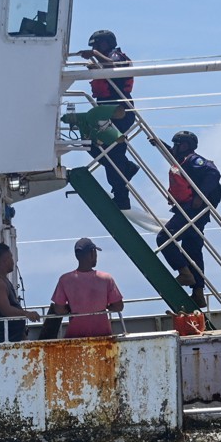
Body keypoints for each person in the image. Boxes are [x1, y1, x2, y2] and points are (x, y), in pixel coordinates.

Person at [155, 130, 221, 307]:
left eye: (176, 144)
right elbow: (171, 155)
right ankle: (198, 291)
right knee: (192, 249)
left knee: (164, 238)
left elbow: (213, 173)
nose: (174, 148)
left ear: (184, 146)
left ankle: (185, 273)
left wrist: (200, 197)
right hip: (191, 211)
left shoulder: (194, 160)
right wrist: (157, 143)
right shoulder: (183, 161)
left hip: (192, 210)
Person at [77, 30, 139, 209]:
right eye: (94, 47)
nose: (96, 49)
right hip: (105, 112)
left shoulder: (117, 56)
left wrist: (95, 56)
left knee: (114, 153)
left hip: (120, 112)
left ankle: (121, 197)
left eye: (98, 45)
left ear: (108, 43)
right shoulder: (104, 61)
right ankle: (126, 169)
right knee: (94, 145)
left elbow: (115, 66)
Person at [50, 237, 125, 338]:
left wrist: (71, 308)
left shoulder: (65, 279)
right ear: (92, 253)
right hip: (103, 335)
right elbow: (118, 306)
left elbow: (59, 309)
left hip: (74, 336)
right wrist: (104, 305)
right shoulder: (106, 278)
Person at [0, 242, 40, 343]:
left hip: (12, 342)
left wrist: (24, 337)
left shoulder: (3, 280)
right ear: (4, 260)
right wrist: (27, 314)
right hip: (0, 344)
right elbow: (6, 311)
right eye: (11, 257)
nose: (13, 262)